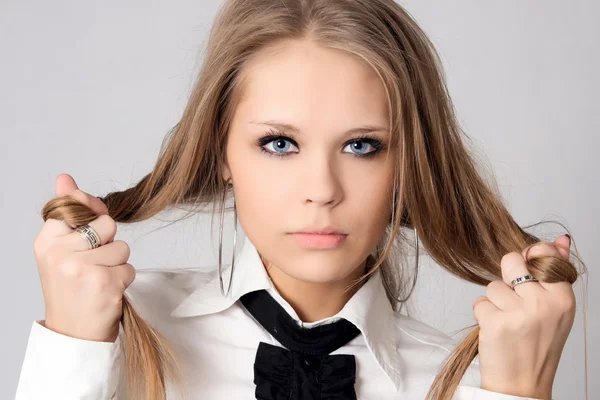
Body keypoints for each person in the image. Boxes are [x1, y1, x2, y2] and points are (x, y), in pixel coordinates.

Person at [15, 0, 585, 399]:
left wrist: (516, 396)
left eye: (363, 146)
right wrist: (73, 349)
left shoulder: (463, 384)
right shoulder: (122, 332)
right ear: (221, 152)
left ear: (407, 165)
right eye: (279, 143)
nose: (322, 190)